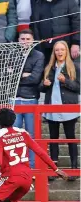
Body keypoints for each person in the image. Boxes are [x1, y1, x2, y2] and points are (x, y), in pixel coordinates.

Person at [40, 41, 79, 179]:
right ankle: (54, 169)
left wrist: (65, 81)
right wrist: (44, 85)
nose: (59, 52)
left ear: (67, 51)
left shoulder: (75, 67)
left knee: (71, 138)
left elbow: (78, 88)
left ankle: (74, 168)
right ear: (54, 52)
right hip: (52, 108)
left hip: (68, 108)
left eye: (62, 49)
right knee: (53, 139)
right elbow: (41, 88)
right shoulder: (49, 67)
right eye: (57, 50)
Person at [13, 29, 45, 169]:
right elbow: (8, 77)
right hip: (13, 98)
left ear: (33, 40)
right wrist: (24, 75)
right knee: (14, 135)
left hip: (31, 98)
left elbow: (35, 78)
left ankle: (31, 167)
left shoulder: (39, 55)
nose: (25, 41)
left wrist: (18, 76)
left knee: (31, 135)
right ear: (18, 40)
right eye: (22, 39)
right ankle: (17, 166)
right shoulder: (11, 54)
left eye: (28, 39)